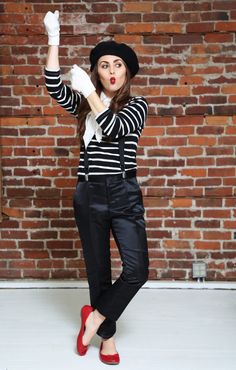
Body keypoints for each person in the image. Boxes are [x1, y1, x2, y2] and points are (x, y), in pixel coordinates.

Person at [43, 10, 149, 365]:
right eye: (104, 65)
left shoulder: (136, 106)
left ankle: (93, 319)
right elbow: (54, 85)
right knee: (99, 272)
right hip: (89, 194)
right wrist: (54, 40)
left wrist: (89, 91)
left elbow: (113, 127)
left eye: (118, 64)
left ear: (127, 71)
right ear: (97, 71)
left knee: (137, 271)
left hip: (124, 194)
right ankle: (107, 340)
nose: (111, 71)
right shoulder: (83, 109)